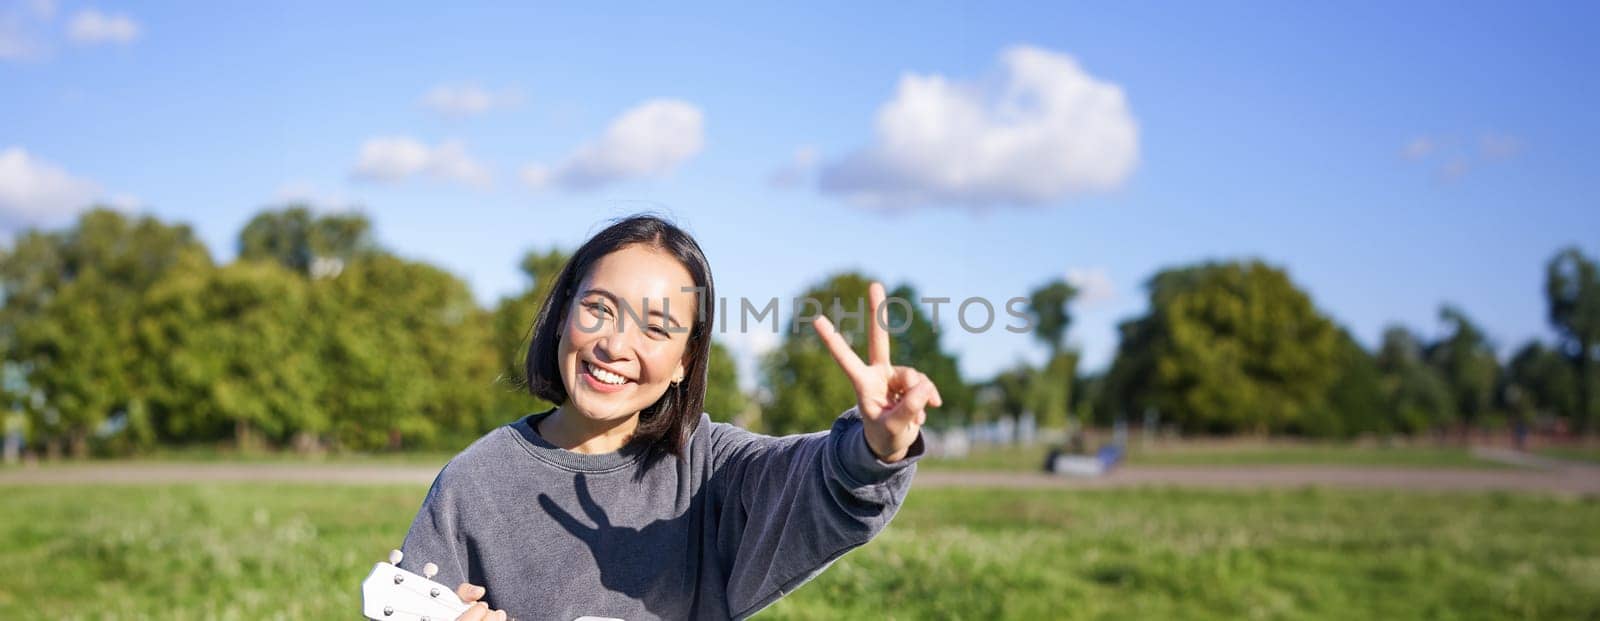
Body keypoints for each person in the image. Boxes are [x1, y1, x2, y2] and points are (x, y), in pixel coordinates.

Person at [396, 215, 942, 620]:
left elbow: (819, 482)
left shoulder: (714, 471)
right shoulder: (476, 479)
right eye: (599, 309)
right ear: (563, 315)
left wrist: (877, 445)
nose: (614, 344)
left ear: (685, 361)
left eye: (655, 328)